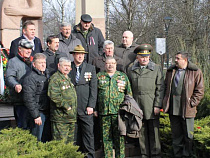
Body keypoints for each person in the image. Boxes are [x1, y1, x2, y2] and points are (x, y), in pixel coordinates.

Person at [163, 51, 204, 158]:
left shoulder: (195, 72)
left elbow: (199, 90)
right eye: (175, 58)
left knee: (188, 135)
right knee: (176, 136)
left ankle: (187, 155)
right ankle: (177, 155)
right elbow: (165, 87)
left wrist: (192, 103)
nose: (175, 60)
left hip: (187, 109)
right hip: (173, 109)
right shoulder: (170, 71)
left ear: (185, 60)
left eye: (178, 58)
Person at [127, 44, 164, 158]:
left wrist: (157, 105)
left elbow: (160, 88)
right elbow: (129, 88)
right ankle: (144, 154)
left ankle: (155, 154)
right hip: (137, 104)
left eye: (147, 56)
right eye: (142, 56)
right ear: (137, 57)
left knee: (154, 131)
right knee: (141, 131)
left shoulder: (156, 69)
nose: (144, 59)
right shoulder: (131, 69)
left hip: (151, 104)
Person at [97, 57, 132, 158]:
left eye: (113, 63)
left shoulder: (122, 76)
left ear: (116, 64)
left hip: (119, 114)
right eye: (108, 63)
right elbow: (94, 94)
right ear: (105, 65)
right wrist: (95, 109)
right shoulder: (99, 76)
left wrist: (127, 110)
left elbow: (129, 94)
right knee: (106, 139)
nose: (110, 65)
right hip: (104, 113)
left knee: (120, 140)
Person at [69, 45, 97, 158]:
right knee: (74, 136)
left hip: (86, 108)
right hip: (71, 108)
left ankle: (89, 156)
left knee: (88, 135)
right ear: (73, 55)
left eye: (82, 54)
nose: (80, 56)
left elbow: (93, 89)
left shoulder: (90, 68)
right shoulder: (68, 67)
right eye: (78, 54)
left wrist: (91, 105)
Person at [48, 57, 77, 143]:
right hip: (60, 118)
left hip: (70, 117)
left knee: (69, 144)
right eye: (65, 66)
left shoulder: (67, 78)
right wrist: (67, 107)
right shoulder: (55, 78)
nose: (67, 68)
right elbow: (54, 96)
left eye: (69, 66)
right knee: (60, 144)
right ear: (59, 65)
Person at [6, 39, 34, 129]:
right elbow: (9, 77)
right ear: (19, 49)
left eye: (30, 49)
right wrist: (15, 85)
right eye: (26, 48)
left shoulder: (33, 61)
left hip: (32, 101)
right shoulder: (13, 62)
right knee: (22, 126)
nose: (29, 51)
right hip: (20, 100)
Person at [22, 53, 50, 142]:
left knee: (46, 138)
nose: (43, 65)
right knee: (37, 139)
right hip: (38, 113)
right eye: (40, 63)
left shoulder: (47, 74)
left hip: (47, 111)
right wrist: (36, 115)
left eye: (44, 63)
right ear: (34, 64)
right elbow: (28, 98)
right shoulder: (30, 78)